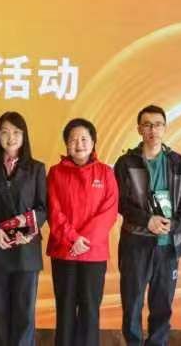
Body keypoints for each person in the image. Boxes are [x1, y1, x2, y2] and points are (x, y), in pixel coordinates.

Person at [113, 105, 181, 346]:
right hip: (136, 244)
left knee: (162, 304)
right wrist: (147, 220)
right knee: (132, 302)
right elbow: (119, 202)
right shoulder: (126, 163)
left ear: (165, 128)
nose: (153, 130)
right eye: (147, 125)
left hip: (168, 245)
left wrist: (175, 225)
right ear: (139, 129)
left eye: (158, 124)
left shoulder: (178, 162)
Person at [47, 118, 118, 346]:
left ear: (93, 142)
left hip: (93, 254)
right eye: (73, 139)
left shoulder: (106, 173)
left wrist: (84, 240)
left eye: (84, 139)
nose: (79, 144)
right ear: (66, 144)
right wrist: (72, 239)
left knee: (90, 308)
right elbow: (53, 210)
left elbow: (109, 212)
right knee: (65, 307)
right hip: (63, 251)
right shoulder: (55, 173)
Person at [0, 112, 47, 346]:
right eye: (5, 132)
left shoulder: (37, 169)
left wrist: (28, 229)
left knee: (24, 314)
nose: (11, 138)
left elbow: (43, 208)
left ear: (24, 136)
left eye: (17, 132)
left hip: (26, 251)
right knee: (0, 313)